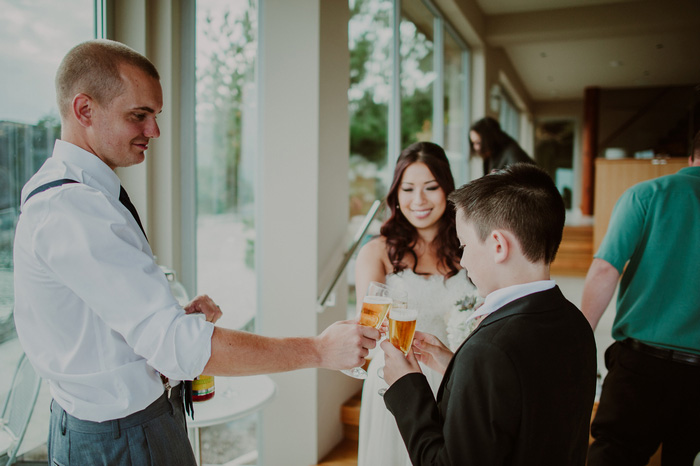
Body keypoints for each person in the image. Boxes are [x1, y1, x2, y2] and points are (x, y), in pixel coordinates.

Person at [12, 39, 378, 466]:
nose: (154, 131)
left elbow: (93, 323)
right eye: (139, 115)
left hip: (103, 427)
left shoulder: (69, 191)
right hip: (122, 439)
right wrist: (318, 350)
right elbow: (176, 348)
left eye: (155, 115)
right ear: (84, 110)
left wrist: (166, 321)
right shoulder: (74, 208)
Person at [379, 163, 597, 465]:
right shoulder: (574, 322)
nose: (463, 260)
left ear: (498, 245)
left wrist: (407, 384)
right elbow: (525, 405)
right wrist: (456, 369)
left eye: (464, 245)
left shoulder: (488, 350)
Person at [355, 142, 478, 466]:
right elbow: (366, 326)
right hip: (395, 378)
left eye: (430, 187)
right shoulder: (376, 252)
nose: (419, 200)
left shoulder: (470, 249)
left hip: (455, 376)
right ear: (396, 194)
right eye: (408, 188)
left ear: (447, 190)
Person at [583, 131, 700, 465]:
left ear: (691, 157)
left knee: (614, 453)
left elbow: (606, 270)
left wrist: (578, 339)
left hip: (642, 366)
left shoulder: (648, 194)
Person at [469, 116, 535, 174]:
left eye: (478, 143)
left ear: (489, 139)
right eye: (473, 143)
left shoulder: (513, 154)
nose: (475, 147)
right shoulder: (491, 156)